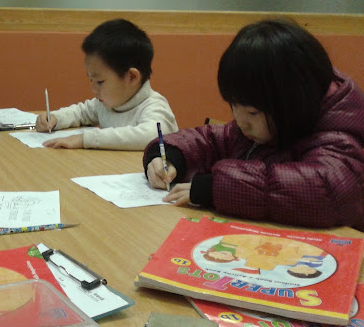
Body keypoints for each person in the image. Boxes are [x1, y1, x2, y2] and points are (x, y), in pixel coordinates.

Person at [144, 18, 364, 231]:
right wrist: (171, 156)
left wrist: (216, 189)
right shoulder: (269, 124)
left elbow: (327, 192)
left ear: (293, 102)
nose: (242, 124)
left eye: (252, 112)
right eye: (233, 106)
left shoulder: (338, 136)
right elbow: (212, 140)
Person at [35, 18, 178, 150]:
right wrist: (55, 119)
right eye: (91, 80)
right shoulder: (106, 104)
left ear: (132, 77)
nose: (93, 89)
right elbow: (81, 113)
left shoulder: (155, 106)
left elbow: (151, 136)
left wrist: (85, 139)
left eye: (100, 82)